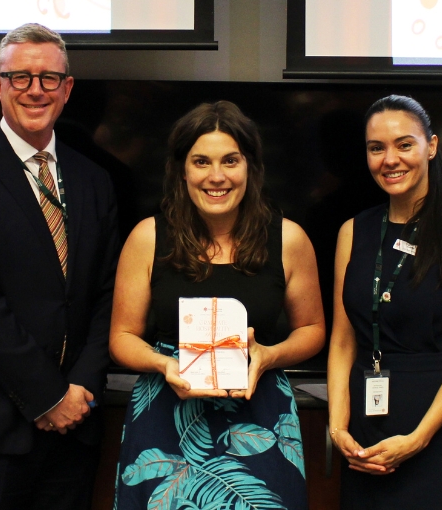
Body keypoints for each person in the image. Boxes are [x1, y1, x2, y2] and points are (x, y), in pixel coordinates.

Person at [0, 23, 119, 510]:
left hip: (76, 424)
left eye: (49, 78)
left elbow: (105, 295)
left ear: (67, 88)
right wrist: (49, 398)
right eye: (20, 77)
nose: (35, 90)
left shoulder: (95, 180)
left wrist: (81, 391)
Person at [109, 101, 325, 509]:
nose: (217, 176)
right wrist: (163, 364)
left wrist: (269, 355)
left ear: (251, 168)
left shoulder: (290, 239)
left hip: (261, 415)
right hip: (165, 418)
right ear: (182, 170)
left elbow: (313, 330)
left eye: (231, 160)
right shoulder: (148, 237)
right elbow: (121, 337)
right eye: (201, 161)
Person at [326, 95, 442, 509]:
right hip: (365, 432)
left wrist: (418, 438)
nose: (390, 159)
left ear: (432, 146)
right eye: (376, 148)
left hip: (439, 430)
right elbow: (343, 342)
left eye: (404, 144)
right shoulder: (353, 231)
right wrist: (338, 428)